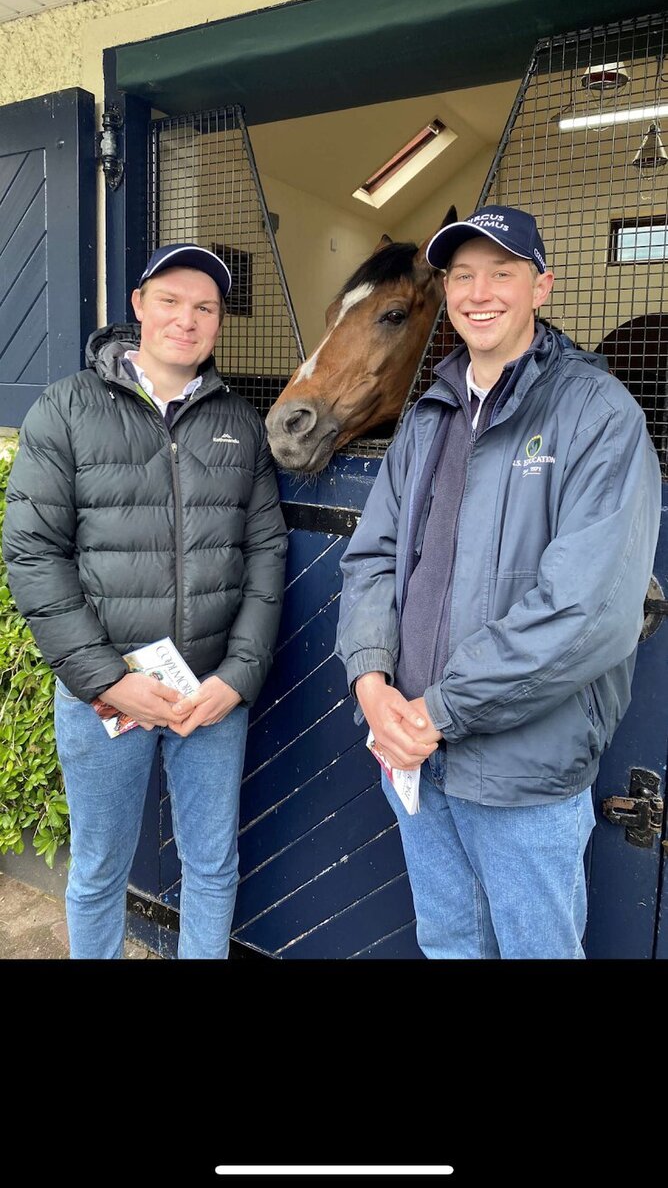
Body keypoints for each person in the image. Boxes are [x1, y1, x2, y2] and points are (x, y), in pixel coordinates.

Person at [335, 205, 662, 959]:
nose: (480, 292)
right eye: (463, 275)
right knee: (449, 943)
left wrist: (438, 711)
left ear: (542, 286)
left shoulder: (598, 416)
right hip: (412, 754)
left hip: (522, 774)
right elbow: (371, 559)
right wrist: (371, 683)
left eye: (503, 273)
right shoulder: (426, 418)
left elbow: (589, 611)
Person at [2, 244, 287, 959]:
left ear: (219, 322)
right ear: (138, 306)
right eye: (171, 301)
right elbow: (34, 553)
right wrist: (109, 679)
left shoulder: (240, 424)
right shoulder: (66, 409)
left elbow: (265, 554)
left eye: (205, 308)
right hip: (106, 698)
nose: (186, 320)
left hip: (209, 700)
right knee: (99, 870)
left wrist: (235, 679)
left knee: (213, 867)